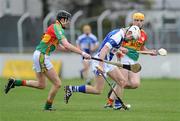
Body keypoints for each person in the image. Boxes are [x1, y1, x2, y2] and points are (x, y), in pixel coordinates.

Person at [4, 10, 91, 111]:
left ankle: (15, 82)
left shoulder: (53, 27)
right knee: (57, 83)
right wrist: (82, 53)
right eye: (67, 20)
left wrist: (71, 50)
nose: (68, 22)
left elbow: (58, 46)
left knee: (41, 85)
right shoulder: (57, 28)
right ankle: (47, 107)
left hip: (38, 55)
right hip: (42, 56)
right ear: (62, 19)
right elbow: (66, 44)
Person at [64, 25, 141, 106]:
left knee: (122, 81)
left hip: (107, 61)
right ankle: (71, 88)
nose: (130, 40)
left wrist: (119, 49)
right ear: (129, 33)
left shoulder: (120, 34)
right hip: (100, 60)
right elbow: (104, 50)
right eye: (131, 38)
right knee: (97, 90)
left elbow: (111, 46)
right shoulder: (118, 36)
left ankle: (118, 105)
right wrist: (100, 66)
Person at [104, 12, 158, 110]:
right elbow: (116, 45)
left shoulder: (144, 34)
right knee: (122, 82)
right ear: (132, 21)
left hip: (134, 60)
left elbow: (142, 48)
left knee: (135, 84)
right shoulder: (126, 31)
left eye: (141, 20)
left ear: (143, 22)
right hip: (123, 58)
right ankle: (114, 103)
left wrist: (150, 52)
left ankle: (114, 87)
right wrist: (121, 49)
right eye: (136, 20)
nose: (138, 22)